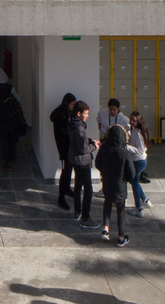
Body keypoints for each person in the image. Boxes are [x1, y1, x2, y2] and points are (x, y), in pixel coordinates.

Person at [95, 124, 131, 246]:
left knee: (107, 203)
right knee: (120, 210)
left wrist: (104, 173)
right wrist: (126, 178)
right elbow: (131, 172)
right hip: (120, 185)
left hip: (107, 182)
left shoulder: (104, 148)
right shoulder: (124, 153)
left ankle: (106, 228)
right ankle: (121, 237)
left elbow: (97, 164)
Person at [66, 100, 98, 228]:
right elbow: (83, 148)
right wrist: (94, 146)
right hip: (82, 161)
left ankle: (77, 211)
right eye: (86, 113)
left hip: (74, 159)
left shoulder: (72, 123)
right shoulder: (80, 128)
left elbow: (79, 141)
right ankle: (86, 217)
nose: (87, 116)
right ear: (79, 113)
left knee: (78, 185)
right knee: (88, 189)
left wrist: (89, 140)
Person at [0, 67, 26, 170]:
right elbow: (19, 99)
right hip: (11, 115)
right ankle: (13, 155)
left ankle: (6, 159)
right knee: (11, 135)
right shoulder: (10, 87)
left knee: (3, 137)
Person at [51, 92, 76, 210]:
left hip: (69, 145)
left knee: (69, 168)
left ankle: (67, 189)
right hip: (64, 146)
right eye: (71, 104)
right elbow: (62, 130)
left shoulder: (68, 112)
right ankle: (61, 197)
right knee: (65, 170)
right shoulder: (60, 113)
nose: (72, 106)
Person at [126, 111, 151, 214]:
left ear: (139, 122)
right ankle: (145, 200)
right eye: (131, 119)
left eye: (134, 121)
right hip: (140, 160)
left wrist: (126, 147)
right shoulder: (138, 131)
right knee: (133, 181)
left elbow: (140, 150)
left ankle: (138, 208)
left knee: (134, 183)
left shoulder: (137, 132)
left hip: (138, 161)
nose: (131, 122)